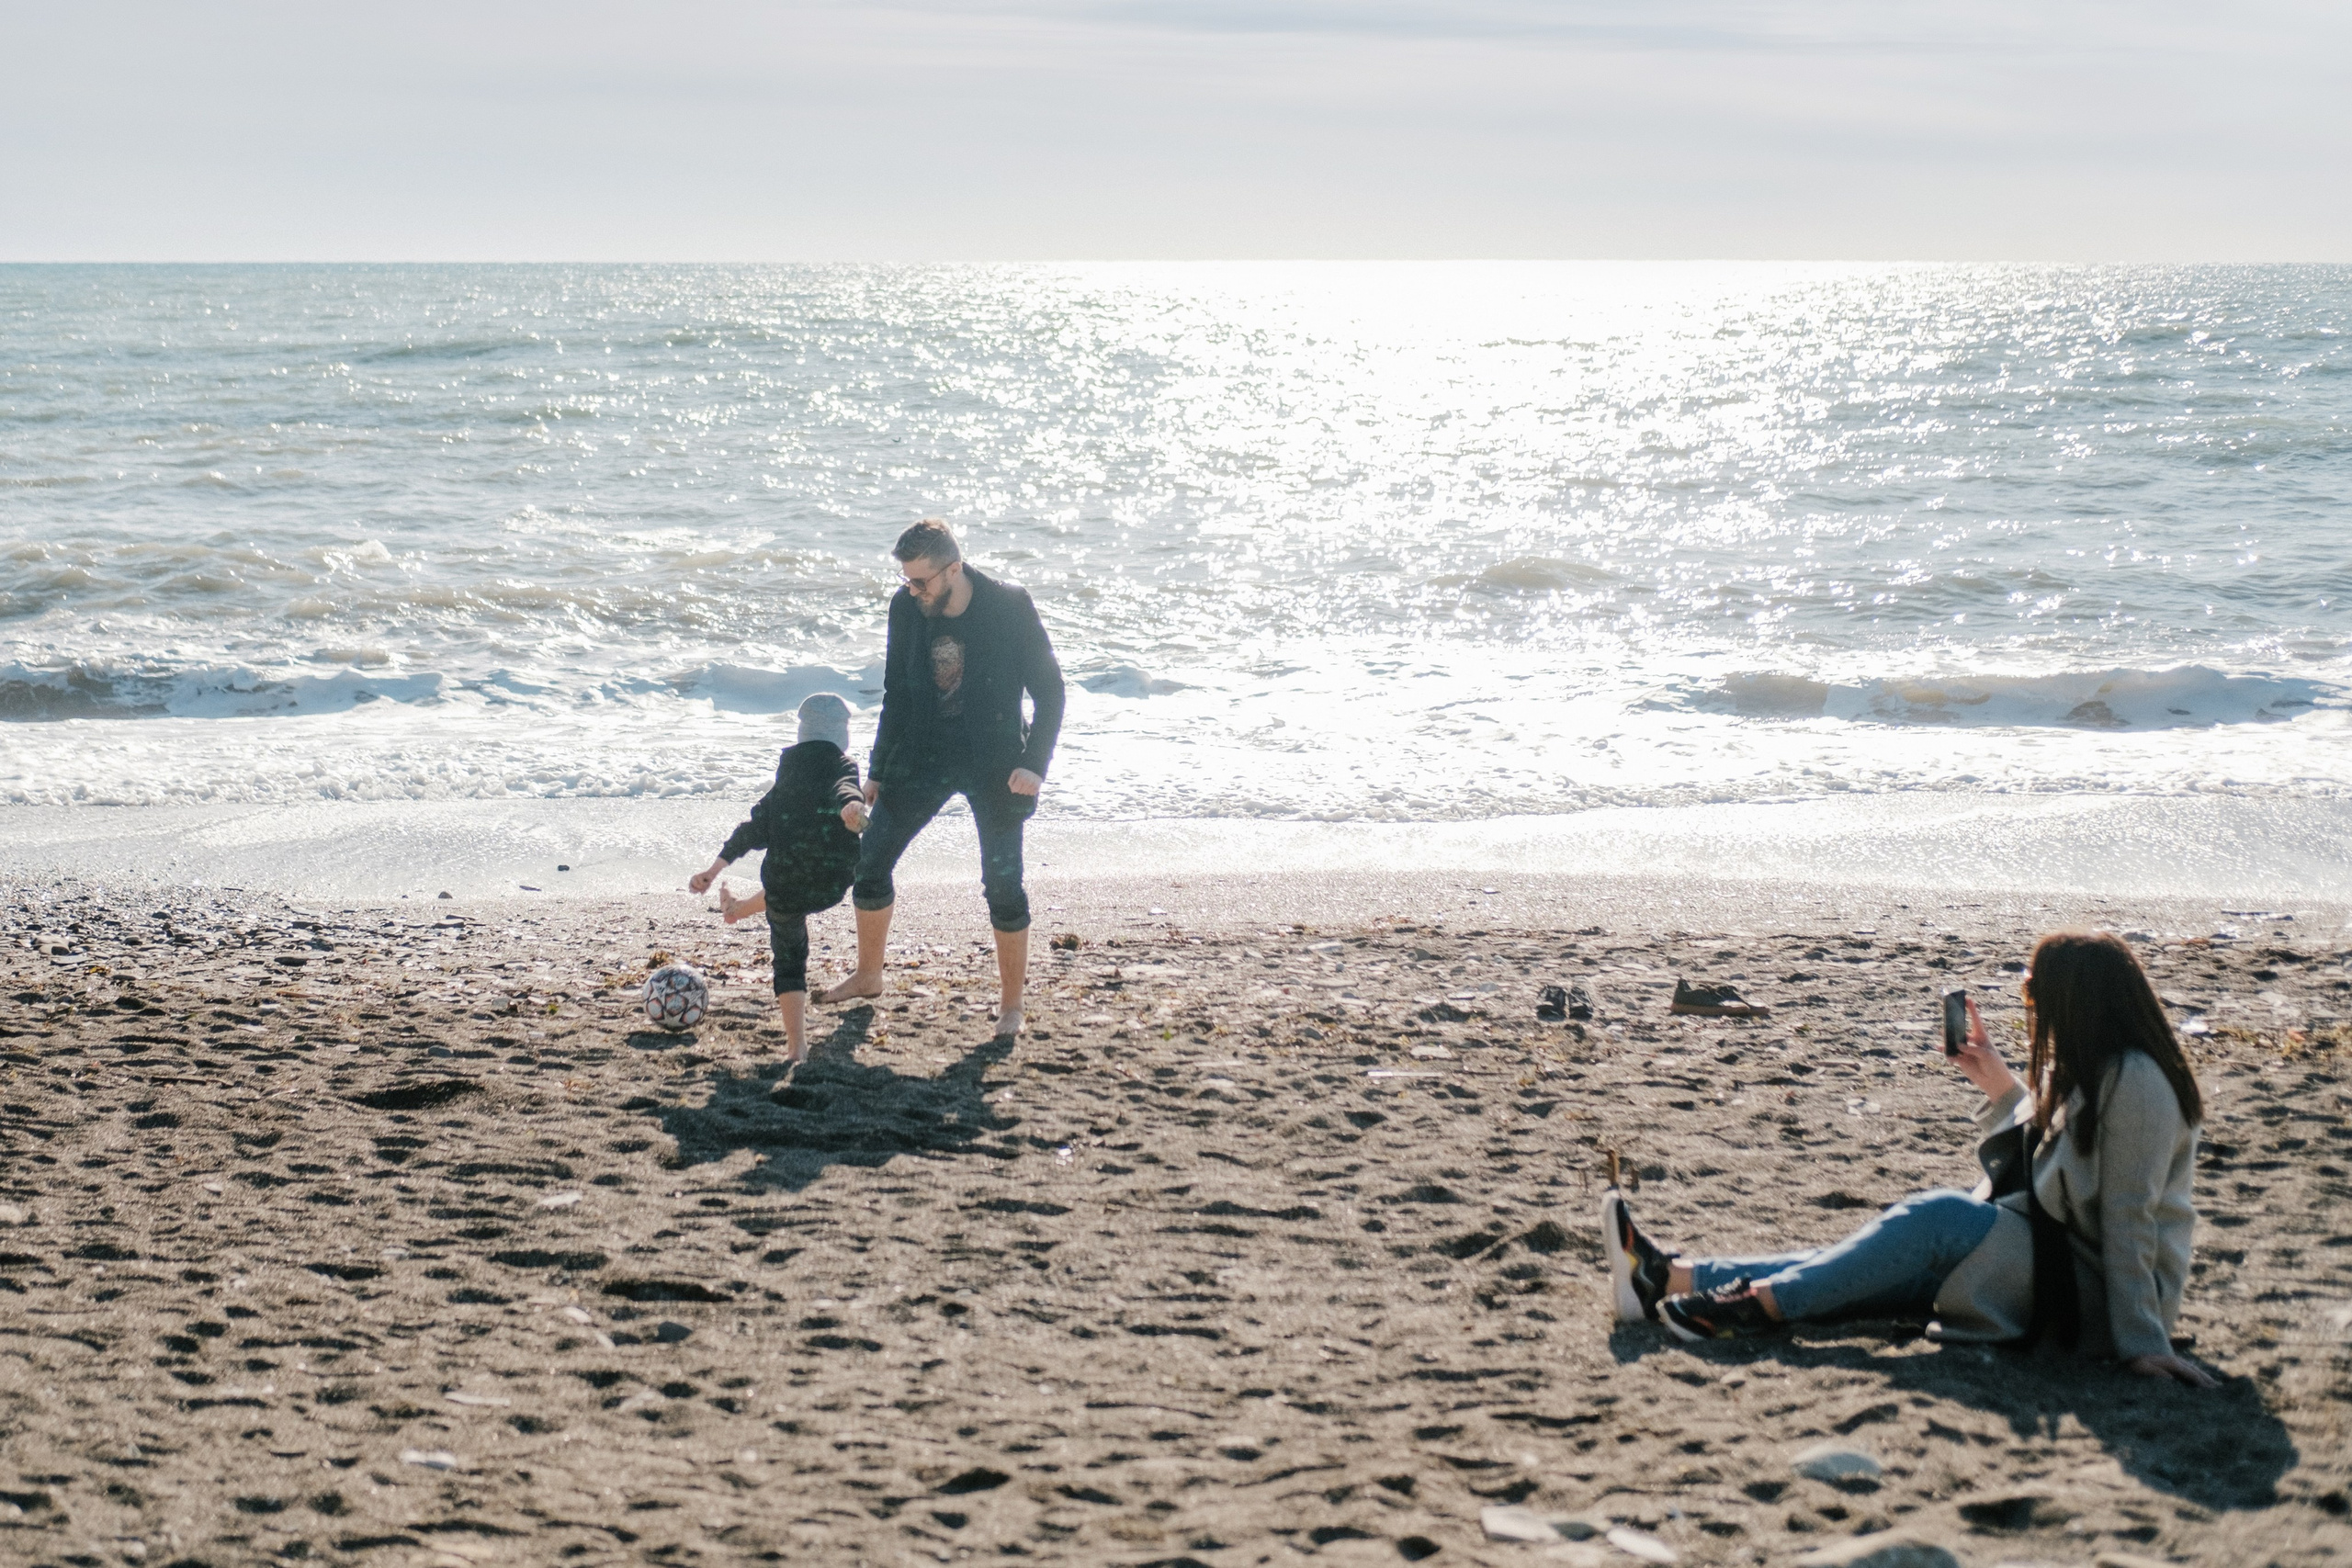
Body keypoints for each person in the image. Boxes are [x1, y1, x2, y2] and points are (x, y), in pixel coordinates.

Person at [1601, 930, 2216, 1387]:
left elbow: (2130, 1216)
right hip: (2054, 1262)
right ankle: (1666, 1278)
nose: (2029, 1004)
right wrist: (1999, 1084)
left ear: (2078, 999)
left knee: (1936, 1218)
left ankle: (1755, 1307)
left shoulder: (2138, 1080)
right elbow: (2057, 1153)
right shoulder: (2100, 1067)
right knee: (1867, 1258)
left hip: (2094, 1291)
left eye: (2034, 991)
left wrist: (2142, 1341)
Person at [819, 519, 1064, 1039]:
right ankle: (868, 976)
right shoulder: (905, 607)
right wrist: (878, 769)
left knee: (1002, 882)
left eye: (921, 580)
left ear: (953, 569)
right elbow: (896, 692)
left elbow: (1051, 690)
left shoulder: (1008, 604)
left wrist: (1035, 764)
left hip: (996, 761)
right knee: (870, 861)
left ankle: (1012, 1005)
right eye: (906, 579)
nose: (912, 590)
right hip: (923, 754)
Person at [687, 694, 867, 1065]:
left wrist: (713, 870)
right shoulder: (842, 764)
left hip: (786, 886)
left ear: (802, 734)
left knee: (789, 958)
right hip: (834, 882)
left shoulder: (785, 781)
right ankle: (737, 909)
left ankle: (796, 1048)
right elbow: (844, 788)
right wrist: (853, 806)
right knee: (832, 869)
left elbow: (752, 831)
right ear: (842, 734)